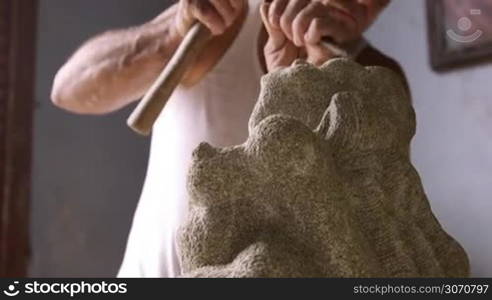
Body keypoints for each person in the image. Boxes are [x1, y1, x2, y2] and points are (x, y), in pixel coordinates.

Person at [51, 0, 408, 277]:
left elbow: (376, 226)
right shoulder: (220, 19)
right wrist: (170, 35)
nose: (367, 2)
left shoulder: (378, 78)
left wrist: (321, 79)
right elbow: (69, 90)